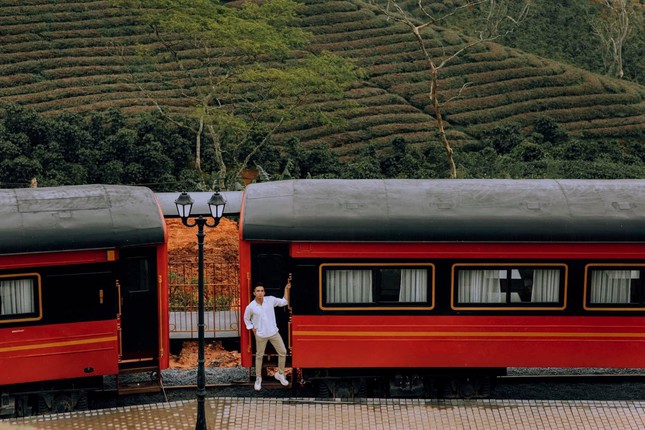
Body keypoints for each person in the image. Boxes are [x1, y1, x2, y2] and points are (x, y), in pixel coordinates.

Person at [243, 277, 291, 391]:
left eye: (262, 291)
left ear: (264, 292)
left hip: (274, 332)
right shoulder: (251, 306)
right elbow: (246, 319)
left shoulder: (270, 300)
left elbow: (284, 301)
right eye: (258, 291)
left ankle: (280, 374)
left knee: (283, 352)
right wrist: (253, 329)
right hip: (261, 335)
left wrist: (286, 289)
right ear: (254, 292)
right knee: (259, 356)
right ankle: (258, 378)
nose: (260, 293)